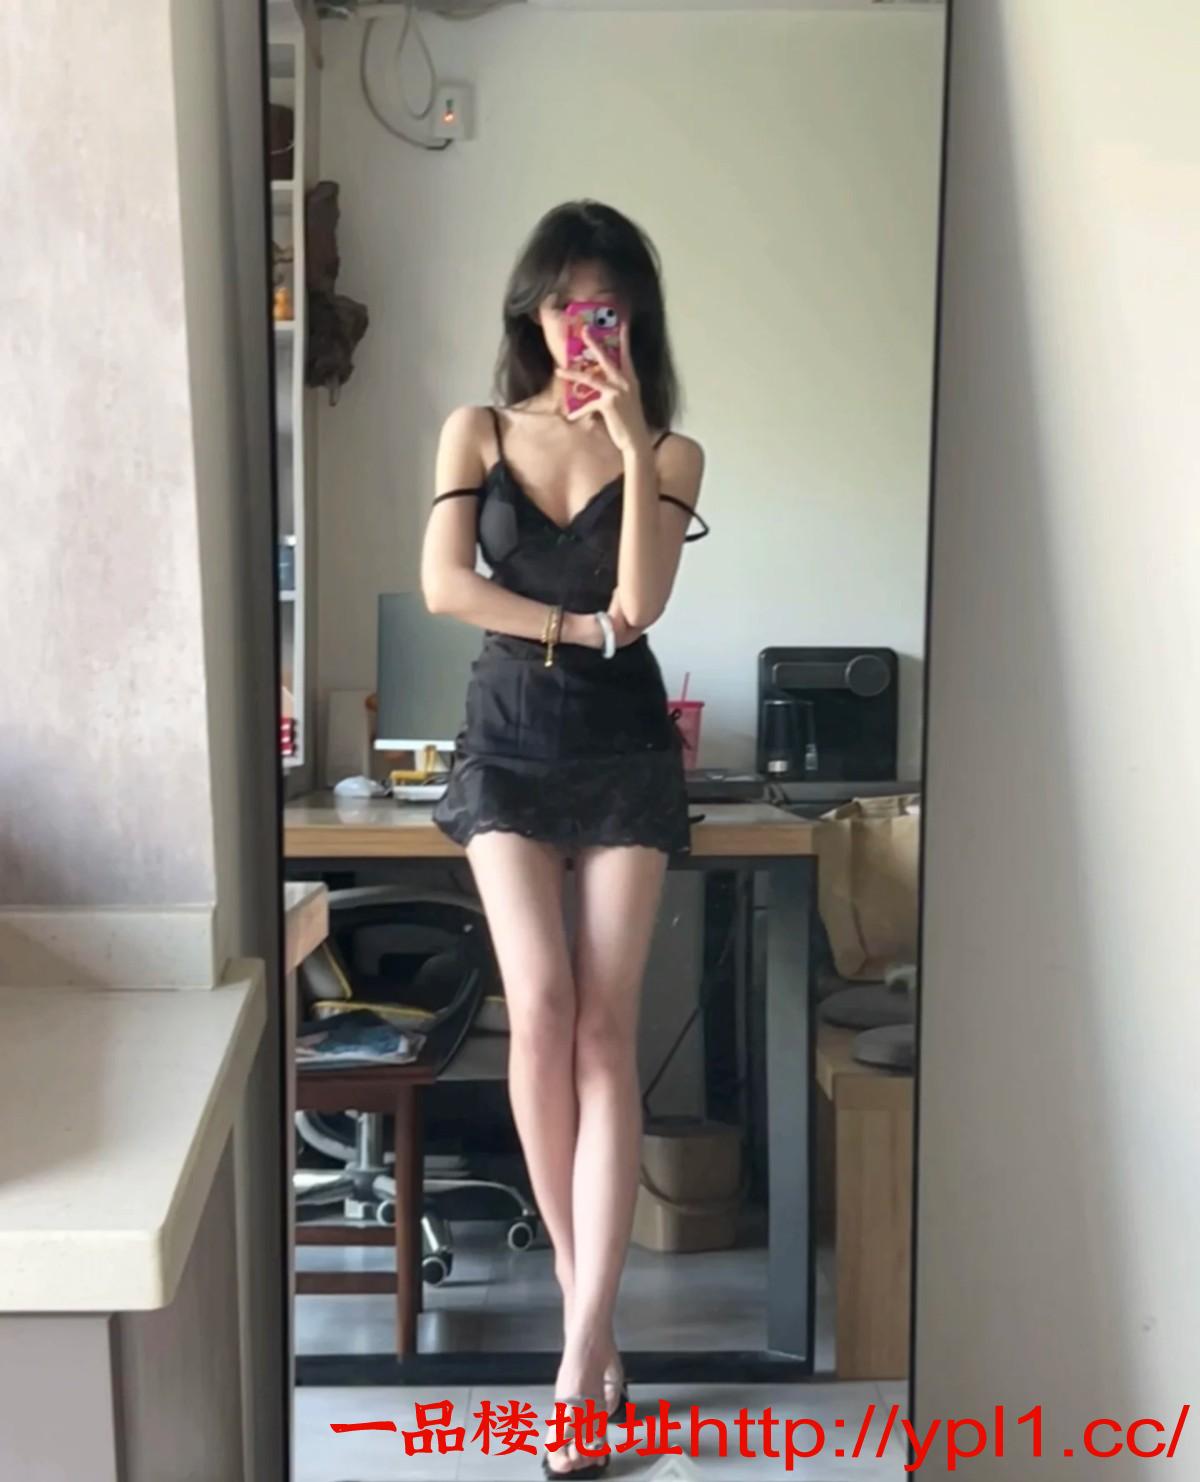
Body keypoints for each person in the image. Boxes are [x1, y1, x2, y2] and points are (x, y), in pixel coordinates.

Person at [421, 200, 707, 1478]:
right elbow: (446, 586)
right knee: (538, 1007)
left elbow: (640, 601)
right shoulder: (477, 429)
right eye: (563, 304)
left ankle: (581, 1354)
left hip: (625, 751)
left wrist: (633, 443)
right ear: (531, 311)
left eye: (607, 307)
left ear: (634, 317)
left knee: (604, 1028)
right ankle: (586, 1324)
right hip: (505, 741)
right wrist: (568, 629)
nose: (582, 327)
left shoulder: (675, 450)